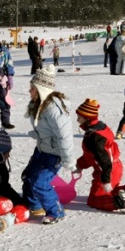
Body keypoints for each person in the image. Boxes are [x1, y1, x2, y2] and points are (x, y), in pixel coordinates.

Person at [22, 64, 75, 224]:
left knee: (40, 183)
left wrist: (68, 160)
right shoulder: (37, 104)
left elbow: (65, 136)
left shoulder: (54, 109)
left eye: (32, 89)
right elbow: (43, 127)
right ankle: (33, 204)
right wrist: (36, 135)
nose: (29, 92)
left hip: (55, 154)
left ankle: (56, 211)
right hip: (41, 149)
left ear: (41, 90)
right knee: (28, 177)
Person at [74, 99, 125, 214]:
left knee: (94, 199)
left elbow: (103, 159)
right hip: (116, 166)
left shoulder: (94, 137)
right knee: (108, 192)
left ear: (88, 118)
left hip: (107, 170)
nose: (77, 120)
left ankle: (119, 202)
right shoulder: (101, 128)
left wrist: (105, 180)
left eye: (79, 117)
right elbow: (91, 156)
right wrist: (79, 165)